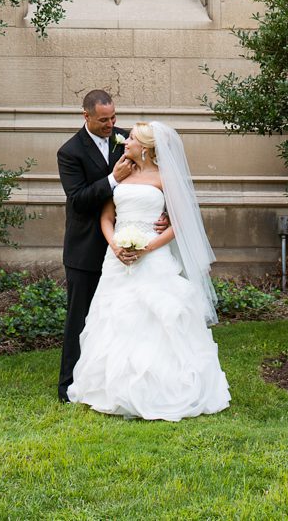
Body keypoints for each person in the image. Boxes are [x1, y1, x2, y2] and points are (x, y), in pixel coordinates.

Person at [66, 120, 231, 421]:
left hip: (153, 258)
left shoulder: (164, 178)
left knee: (159, 318)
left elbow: (181, 224)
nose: (124, 141)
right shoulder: (121, 173)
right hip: (117, 259)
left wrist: (148, 247)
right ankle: (111, 389)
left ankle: (164, 387)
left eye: (131, 139)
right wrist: (115, 246)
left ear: (147, 147)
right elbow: (107, 217)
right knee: (114, 318)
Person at [56, 90, 167, 403]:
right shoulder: (70, 152)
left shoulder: (127, 139)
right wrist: (112, 180)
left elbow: (158, 181)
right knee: (80, 318)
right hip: (86, 247)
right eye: (104, 120)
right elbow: (77, 200)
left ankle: (120, 382)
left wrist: (165, 216)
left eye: (113, 118)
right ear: (86, 116)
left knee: (124, 317)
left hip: (132, 243)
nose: (111, 124)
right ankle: (68, 386)